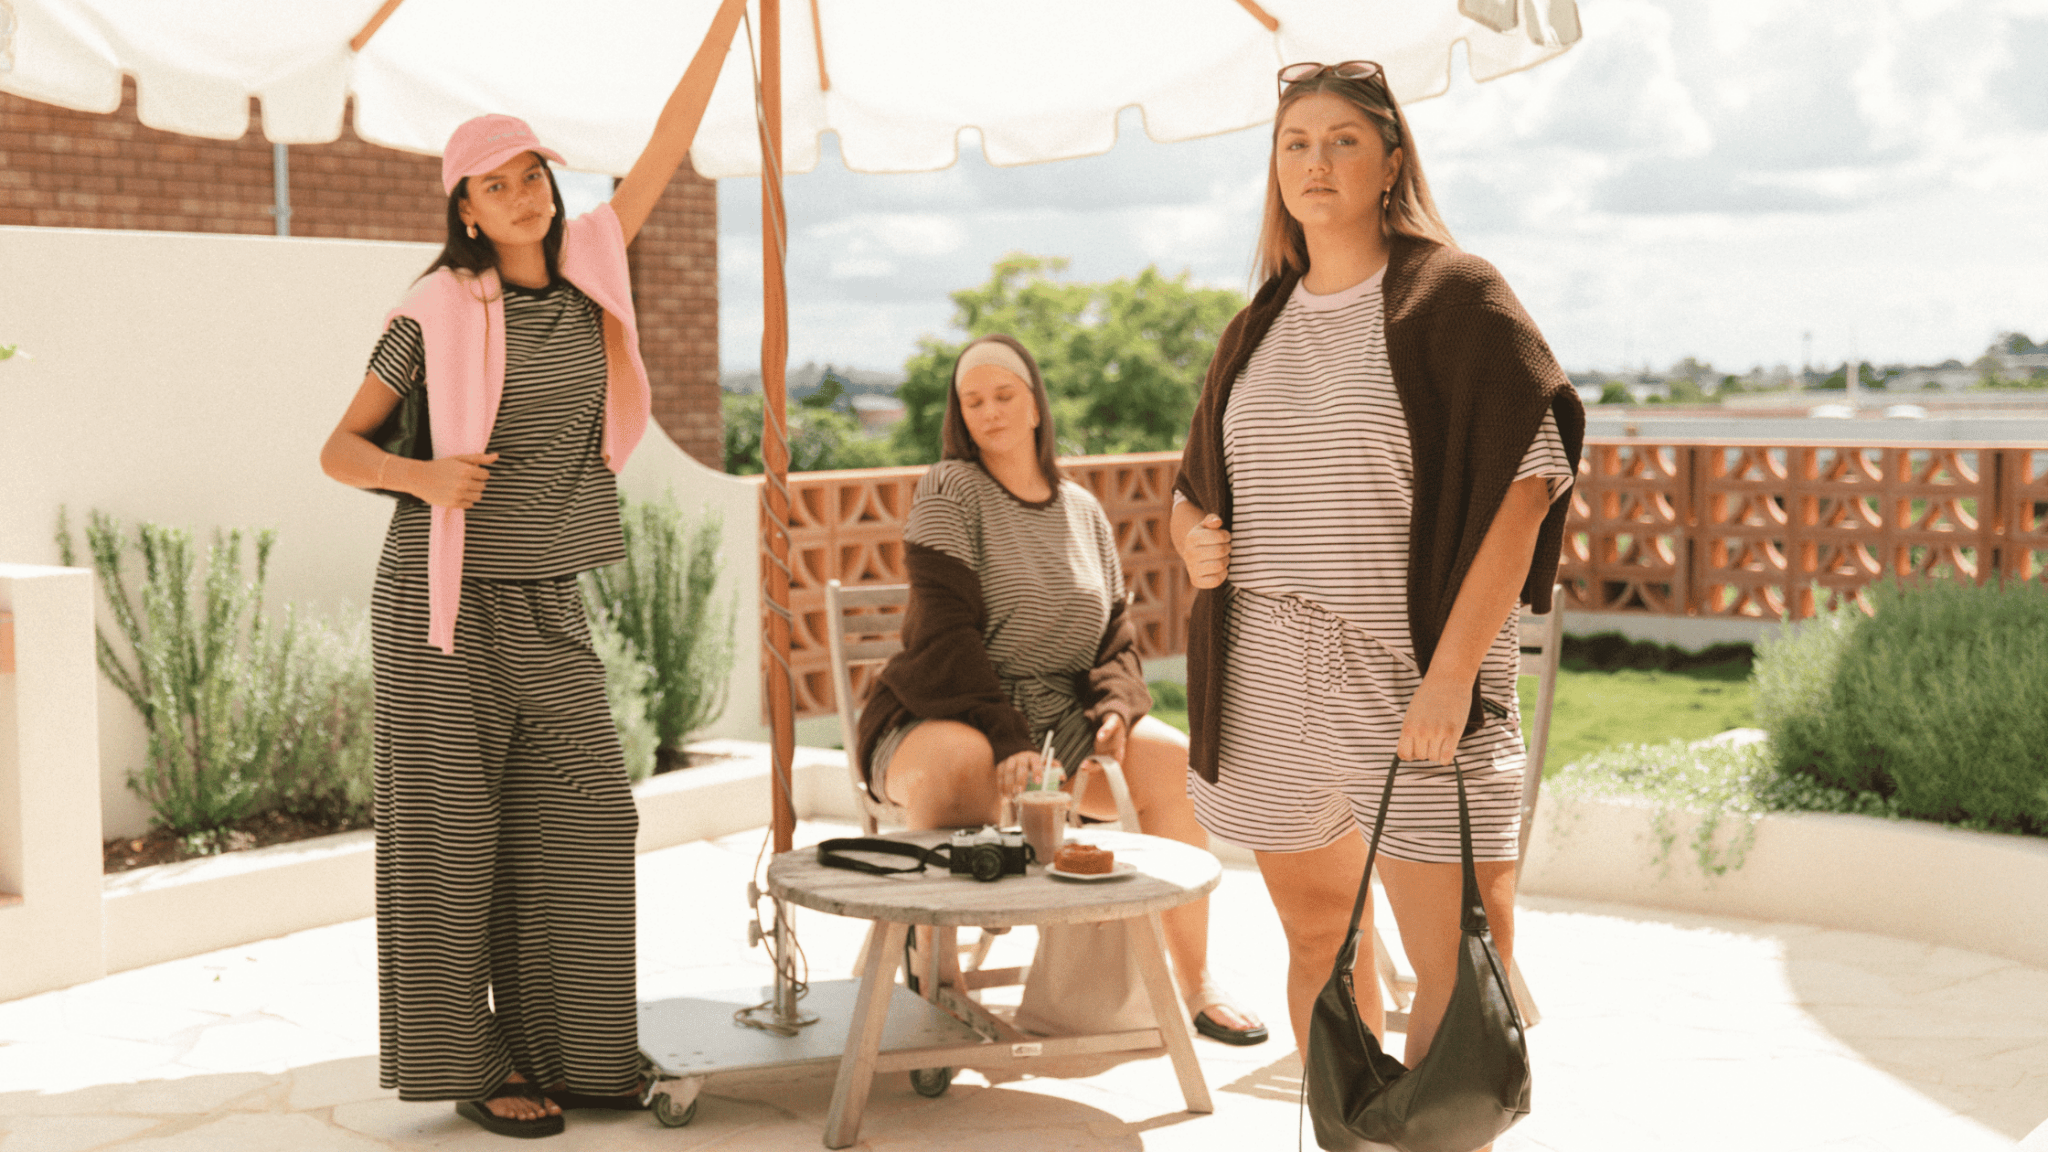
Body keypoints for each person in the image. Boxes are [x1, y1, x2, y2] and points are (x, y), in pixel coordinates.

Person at [1169, 59, 1585, 1117]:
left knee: (1449, 955)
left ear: (1390, 158)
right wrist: (1191, 541)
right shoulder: (1253, 326)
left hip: (1404, 669)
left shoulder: (1455, 294)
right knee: (1317, 936)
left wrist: (1448, 680)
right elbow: (1190, 490)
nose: (1315, 160)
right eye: (1294, 142)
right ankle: (1342, 1139)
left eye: (1342, 140)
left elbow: (1527, 483)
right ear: (1274, 169)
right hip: (1264, 665)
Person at [317, 102, 705, 1137]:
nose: (520, 194)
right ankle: (474, 1063)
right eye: (494, 184)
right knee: (450, 842)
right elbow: (340, 451)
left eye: (530, 174)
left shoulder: (588, 267)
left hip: (546, 594)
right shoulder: (432, 307)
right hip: (438, 607)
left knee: (587, 818)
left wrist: (726, 25)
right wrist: (423, 474)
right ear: (466, 210)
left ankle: (577, 1054)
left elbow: (666, 147)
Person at [856, 334, 1268, 1046]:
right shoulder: (949, 490)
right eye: (973, 400)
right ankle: (940, 984)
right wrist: (1005, 736)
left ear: (1036, 404)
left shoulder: (1081, 508)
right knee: (963, 760)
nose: (989, 412)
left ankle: (1196, 981)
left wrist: (1115, 706)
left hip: (1058, 725)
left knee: (1175, 761)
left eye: (1004, 395)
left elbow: (1114, 639)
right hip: (946, 712)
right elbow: (946, 636)